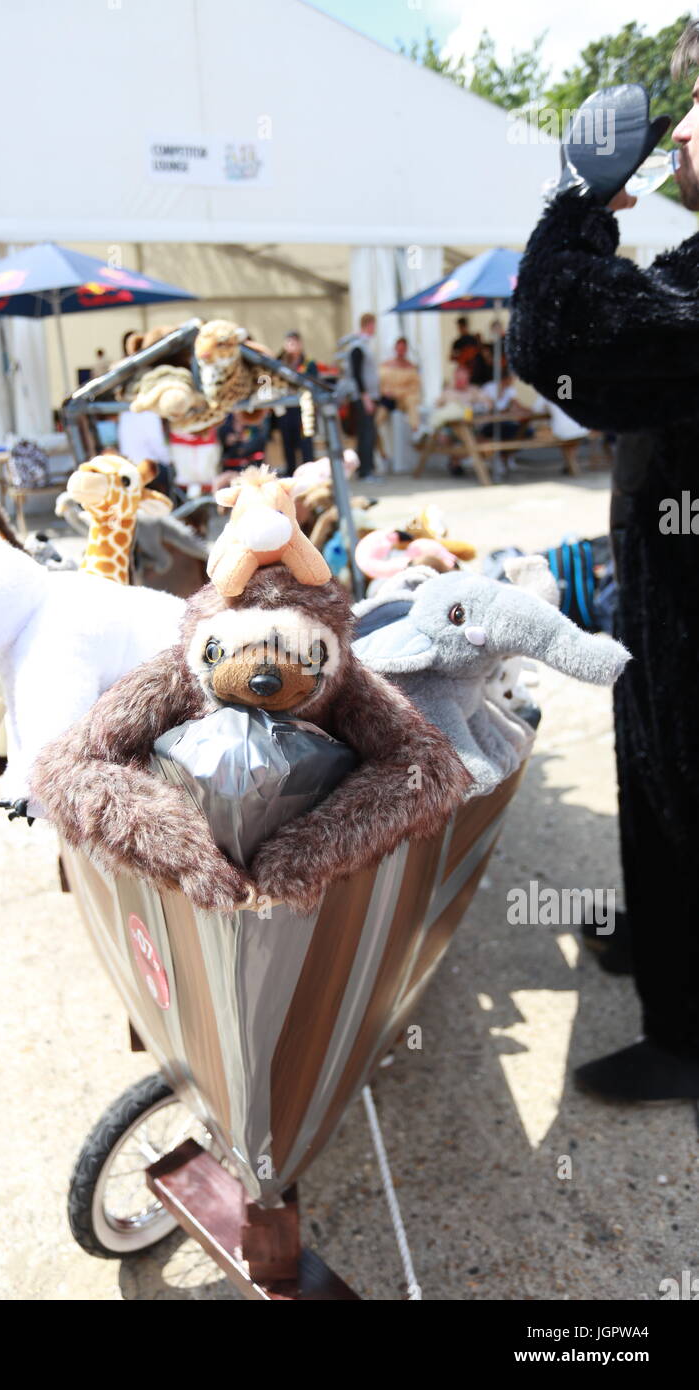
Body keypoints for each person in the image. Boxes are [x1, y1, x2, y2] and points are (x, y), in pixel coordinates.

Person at [507, 60, 699, 1101]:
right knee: (653, 778)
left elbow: (561, 336)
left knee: (682, 788)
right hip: (664, 582)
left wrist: (577, 205)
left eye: (694, 118)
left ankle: (685, 1035)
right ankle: (661, 938)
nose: (673, 138)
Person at [273, 331, 318, 474]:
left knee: (306, 442)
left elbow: (315, 382)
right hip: (285, 409)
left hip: (304, 408)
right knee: (288, 443)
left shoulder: (308, 363)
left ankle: (310, 473)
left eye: (295, 342)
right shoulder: (279, 362)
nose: (292, 346)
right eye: (289, 342)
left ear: (300, 344)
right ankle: (291, 473)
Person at [379, 337, 422, 473]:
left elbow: (414, 389)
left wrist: (398, 392)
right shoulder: (386, 365)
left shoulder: (410, 367)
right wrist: (387, 392)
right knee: (377, 422)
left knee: (412, 401)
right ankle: (383, 452)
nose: (401, 351)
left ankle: (416, 429)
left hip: (403, 399)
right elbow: (380, 384)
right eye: (399, 348)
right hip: (387, 399)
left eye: (403, 348)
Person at [347, 312, 379, 478]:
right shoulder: (358, 346)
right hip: (363, 398)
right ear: (368, 325)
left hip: (367, 396)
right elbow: (357, 374)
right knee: (366, 434)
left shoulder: (364, 344)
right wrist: (365, 397)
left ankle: (363, 468)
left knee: (367, 433)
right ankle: (365, 470)